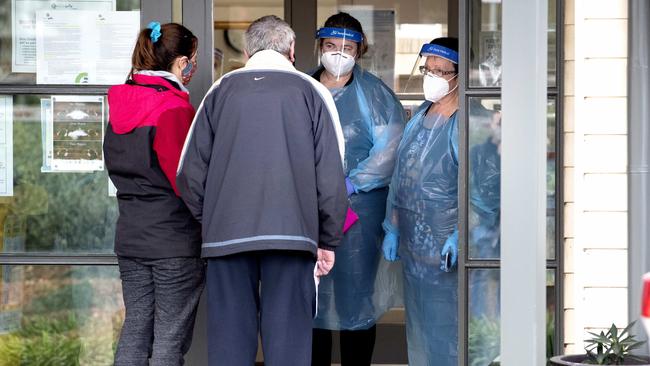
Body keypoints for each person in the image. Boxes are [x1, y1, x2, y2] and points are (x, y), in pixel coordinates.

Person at [176, 15, 348, 366]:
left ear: (248, 49)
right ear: (292, 50)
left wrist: (213, 217)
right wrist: (327, 238)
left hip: (226, 239)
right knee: (288, 348)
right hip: (293, 238)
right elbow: (331, 177)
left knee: (229, 347)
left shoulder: (218, 92)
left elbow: (188, 174)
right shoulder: (312, 92)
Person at [103, 22, 203, 366]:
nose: (193, 67)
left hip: (130, 237)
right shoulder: (173, 109)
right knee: (168, 341)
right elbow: (185, 180)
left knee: (136, 329)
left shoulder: (119, 104)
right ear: (180, 63)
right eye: (192, 59)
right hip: (172, 242)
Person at [310, 12, 406, 366]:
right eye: (332, 46)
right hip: (307, 212)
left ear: (359, 50)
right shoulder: (303, 88)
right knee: (311, 300)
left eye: (347, 48)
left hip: (358, 215)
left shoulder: (373, 95)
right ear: (320, 46)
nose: (338, 54)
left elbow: (391, 149)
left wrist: (349, 182)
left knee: (356, 302)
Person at [381, 37, 460, 366]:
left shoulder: (468, 124)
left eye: (442, 71)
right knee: (421, 334)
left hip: (448, 255)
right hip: (416, 253)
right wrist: (393, 229)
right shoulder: (418, 121)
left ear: (460, 76)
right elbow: (402, 179)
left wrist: (462, 236)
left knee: (450, 333)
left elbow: (485, 192)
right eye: (428, 68)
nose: (433, 76)